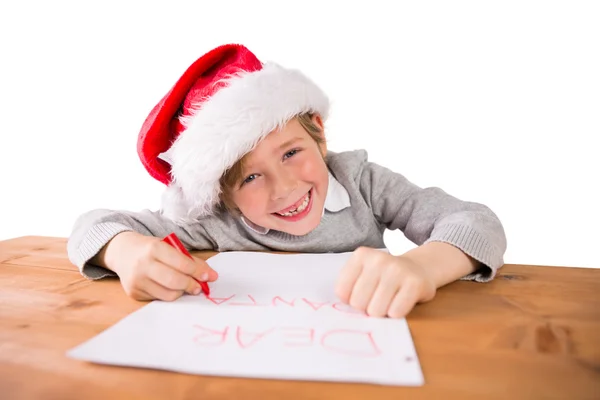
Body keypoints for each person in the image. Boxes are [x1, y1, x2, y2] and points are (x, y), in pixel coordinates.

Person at [67, 43, 507, 319]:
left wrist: (420, 267)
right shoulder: (215, 222)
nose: (284, 189)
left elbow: (476, 221)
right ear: (222, 193)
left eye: (292, 153)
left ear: (318, 130)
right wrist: (123, 253)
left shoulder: (362, 183)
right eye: (251, 177)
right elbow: (94, 224)